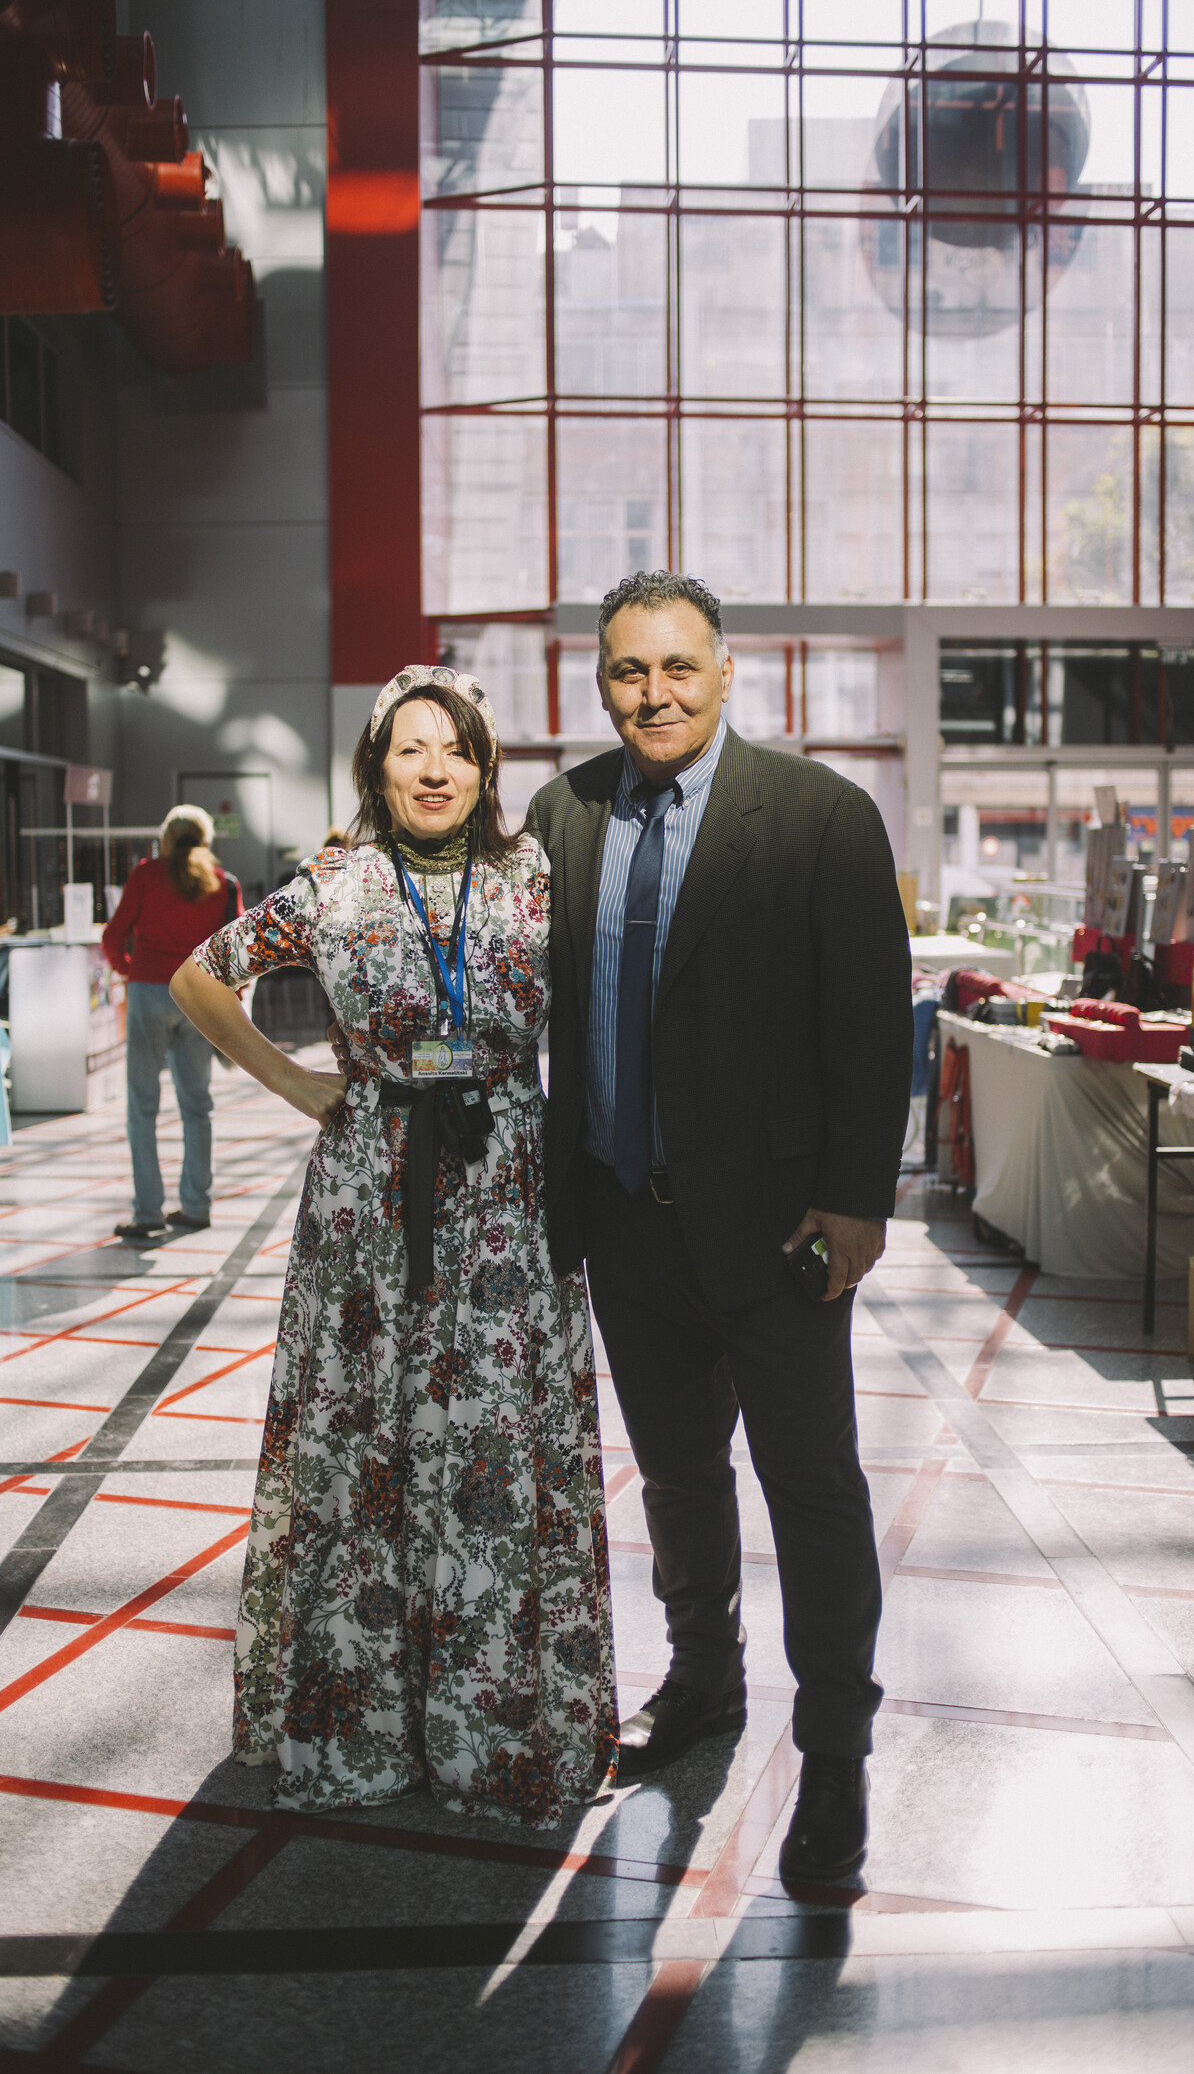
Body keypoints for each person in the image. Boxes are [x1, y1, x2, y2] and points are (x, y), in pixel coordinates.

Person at [169, 667, 616, 1825]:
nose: (434, 770)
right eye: (410, 748)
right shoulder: (335, 884)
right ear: (375, 767)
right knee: (365, 1436)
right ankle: (361, 1725)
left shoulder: (533, 877)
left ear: (485, 767)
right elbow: (197, 977)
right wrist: (293, 1080)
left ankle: (490, 1727)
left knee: (492, 1439)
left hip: (509, 1185)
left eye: (456, 749)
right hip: (368, 1192)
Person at [528, 571, 913, 1881]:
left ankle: (836, 1752)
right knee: (679, 1475)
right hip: (625, 1222)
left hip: (780, 1229)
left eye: (679, 666)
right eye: (630, 670)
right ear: (600, 681)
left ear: (727, 669)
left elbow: (870, 1026)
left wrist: (856, 1200)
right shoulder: (563, 815)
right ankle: (704, 1677)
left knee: (813, 1486)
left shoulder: (818, 816)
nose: (656, 693)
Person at [102, 805, 241, 1241]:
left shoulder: (146, 875)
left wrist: (131, 970)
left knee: (142, 1105)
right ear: (206, 839)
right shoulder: (223, 882)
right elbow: (238, 951)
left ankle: (148, 1212)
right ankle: (197, 1205)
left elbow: (112, 936)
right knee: (197, 1105)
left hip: (149, 992)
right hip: (197, 996)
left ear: (166, 839)